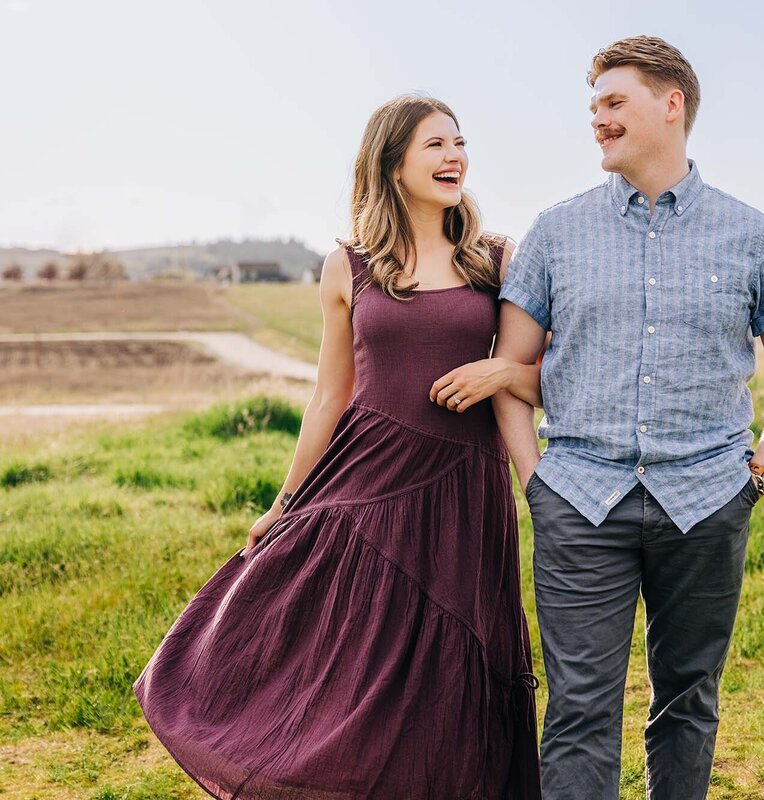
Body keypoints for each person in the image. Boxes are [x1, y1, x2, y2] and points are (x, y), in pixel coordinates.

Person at [134, 95, 542, 800]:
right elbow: (331, 395)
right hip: (364, 480)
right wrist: (283, 502)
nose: (454, 157)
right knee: (353, 663)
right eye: (433, 146)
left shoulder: (496, 258)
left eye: (458, 142)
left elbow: (547, 375)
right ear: (391, 164)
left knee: (452, 669)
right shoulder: (348, 265)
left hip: (463, 487)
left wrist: (509, 371)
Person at [489, 36, 764, 800]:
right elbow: (511, 373)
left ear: (672, 105)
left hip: (708, 503)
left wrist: (759, 471)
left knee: (687, 703)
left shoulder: (751, 234)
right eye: (593, 108)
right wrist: (536, 482)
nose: (598, 121)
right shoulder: (555, 233)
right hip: (578, 502)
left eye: (614, 103)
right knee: (577, 709)